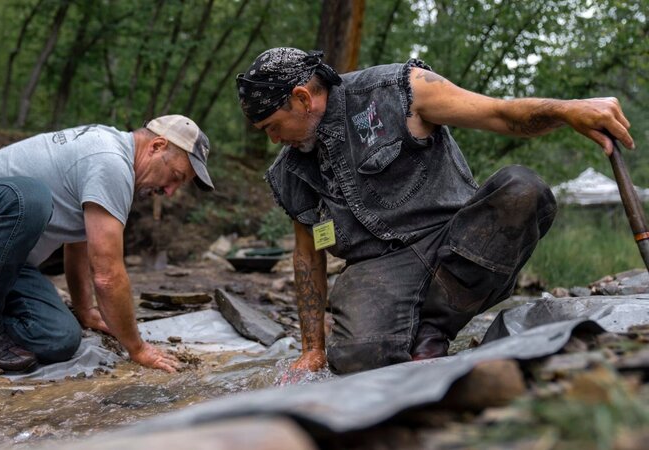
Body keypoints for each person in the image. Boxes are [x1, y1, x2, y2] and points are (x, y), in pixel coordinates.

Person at [236, 47, 634, 375]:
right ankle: (405, 331)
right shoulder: (289, 170)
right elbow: (308, 256)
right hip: (376, 270)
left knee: (521, 190)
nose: (273, 140)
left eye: (273, 126)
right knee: (357, 361)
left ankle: (433, 329)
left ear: (302, 99)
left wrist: (567, 110)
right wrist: (312, 350)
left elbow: (500, 113)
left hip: (455, 239)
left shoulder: (399, 89)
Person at [0, 115, 214, 372]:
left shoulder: (114, 167)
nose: (170, 191)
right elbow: (108, 274)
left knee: (59, 337)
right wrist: (138, 348)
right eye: (175, 177)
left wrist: (85, 310)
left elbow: (79, 243)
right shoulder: (110, 159)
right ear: (157, 146)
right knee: (31, 198)